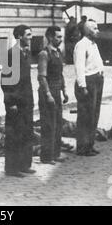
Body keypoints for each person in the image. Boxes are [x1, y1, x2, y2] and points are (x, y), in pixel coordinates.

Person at [0, 25, 36, 177]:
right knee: (14, 134)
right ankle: (12, 168)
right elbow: (5, 80)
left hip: (26, 100)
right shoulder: (12, 54)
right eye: (28, 35)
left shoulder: (26, 53)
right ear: (20, 37)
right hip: (15, 102)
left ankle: (24, 164)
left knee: (26, 132)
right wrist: (10, 102)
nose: (31, 37)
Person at [38, 26, 69, 165]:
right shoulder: (45, 54)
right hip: (47, 93)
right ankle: (46, 156)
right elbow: (42, 77)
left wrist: (65, 90)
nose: (61, 39)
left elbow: (60, 74)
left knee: (57, 124)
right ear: (50, 37)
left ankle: (55, 154)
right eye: (58, 37)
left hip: (57, 91)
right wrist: (48, 94)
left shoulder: (58, 53)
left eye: (61, 37)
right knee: (48, 125)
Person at [73, 19, 104, 156]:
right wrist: (83, 86)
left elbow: (97, 61)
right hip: (87, 81)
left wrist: (101, 72)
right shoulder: (81, 45)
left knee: (94, 115)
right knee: (85, 116)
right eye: (95, 29)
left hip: (96, 80)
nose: (98, 31)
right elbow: (79, 67)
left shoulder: (94, 45)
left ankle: (90, 145)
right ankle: (82, 147)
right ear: (88, 31)